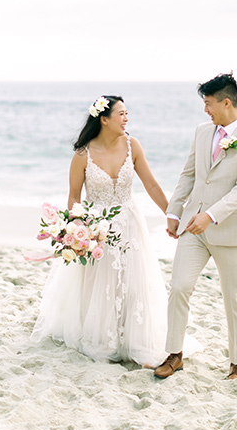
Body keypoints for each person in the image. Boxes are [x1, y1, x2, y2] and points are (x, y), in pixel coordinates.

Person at [31, 95, 202, 366]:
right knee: (100, 282)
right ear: (104, 119)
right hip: (97, 228)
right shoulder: (82, 155)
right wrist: (79, 230)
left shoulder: (132, 145)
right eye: (121, 114)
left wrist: (173, 215)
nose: (126, 118)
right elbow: (74, 199)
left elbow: (152, 185)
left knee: (133, 280)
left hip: (130, 222)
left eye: (127, 113)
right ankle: (104, 337)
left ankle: (133, 339)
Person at [154, 73, 237, 380]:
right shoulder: (203, 132)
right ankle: (174, 354)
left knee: (234, 297)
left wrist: (211, 216)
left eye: (208, 103)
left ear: (226, 102)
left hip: (230, 231)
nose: (205, 110)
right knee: (179, 287)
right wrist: (174, 211)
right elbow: (189, 174)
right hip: (194, 227)